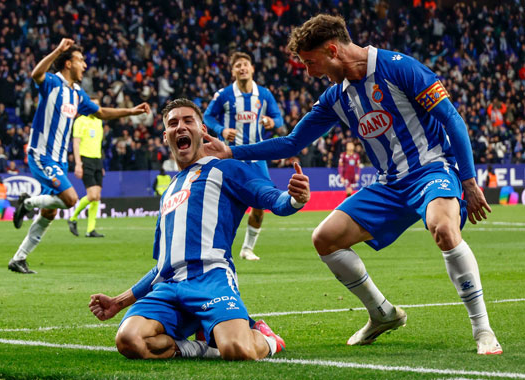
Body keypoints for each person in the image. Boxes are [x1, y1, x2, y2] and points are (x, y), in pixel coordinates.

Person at [202, 14, 501, 355]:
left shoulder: (399, 68)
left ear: (332, 50)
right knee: (325, 239)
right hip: (389, 184)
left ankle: (483, 330)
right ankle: (382, 313)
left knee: (444, 229)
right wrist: (230, 151)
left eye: (311, 62)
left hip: (432, 170)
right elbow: (292, 142)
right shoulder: (335, 97)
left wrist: (469, 181)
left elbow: (452, 118)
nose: (310, 72)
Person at [88, 98, 310, 360]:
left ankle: (267, 338)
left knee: (239, 351)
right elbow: (162, 265)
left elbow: (273, 199)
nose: (180, 127)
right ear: (166, 136)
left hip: (212, 279)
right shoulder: (169, 190)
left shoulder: (226, 168)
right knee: (129, 340)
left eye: (187, 121)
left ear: (202, 130)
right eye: (173, 123)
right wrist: (119, 302)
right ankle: (206, 345)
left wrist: (295, 198)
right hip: (169, 287)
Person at [8, 38, 151, 274]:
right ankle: (26, 203)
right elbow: (36, 74)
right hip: (42, 155)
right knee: (72, 199)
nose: (84, 65)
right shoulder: (53, 82)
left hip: (59, 161)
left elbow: (102, 112)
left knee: (50, 212)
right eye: (80, 60)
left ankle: (19, 259)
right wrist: (57, 50)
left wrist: (131, 111)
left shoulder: (77, 94)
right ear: (67, 64)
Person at [203, 52, 285, 261]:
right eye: (238, 65)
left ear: (252, 68)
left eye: (245, 64)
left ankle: (247, 248)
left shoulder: (264, 94)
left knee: (260, 203)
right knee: (223, 203)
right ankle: (215, 249)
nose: (242, 68)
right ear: (233, 71)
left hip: (257, 156)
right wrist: (221, 130)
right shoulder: (224, 94)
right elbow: (207, 116)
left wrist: (270, 122)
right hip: (231, 156)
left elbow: (278, 118)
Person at [67, 96, 105, 238]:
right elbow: (76, 143)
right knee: (92, 195)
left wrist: (101, 163)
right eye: (92, 105)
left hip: (97, 160)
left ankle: (90, 230)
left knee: (97, 197)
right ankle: (72, 218)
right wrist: (78, 163)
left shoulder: (99, 122)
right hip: (86, 160)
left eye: (97, 105)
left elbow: (98, 144)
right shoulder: (80, 121)